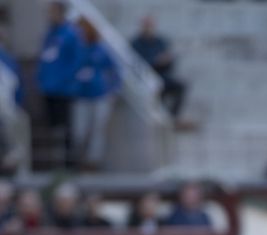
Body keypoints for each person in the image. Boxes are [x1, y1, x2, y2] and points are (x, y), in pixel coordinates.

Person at [36, 1, 82, 165]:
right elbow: (45, 59)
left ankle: (69, 163)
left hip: (64, 88)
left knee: (66, 127)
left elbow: (77, 60)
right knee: (52, 127)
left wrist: (65, 79)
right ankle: (54, 161)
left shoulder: (71, 34)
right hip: (49, 87)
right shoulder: (50, 34)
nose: (50, 16)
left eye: (53, 12)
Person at [72, 19, 121, 171]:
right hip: (81, 95)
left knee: (98, 129)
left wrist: (113, 90)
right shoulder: (77, 49)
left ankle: (93, 162)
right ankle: (79, 158)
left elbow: (115, 70)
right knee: (79, 131)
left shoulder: (101, 49)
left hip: (100, 95)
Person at [130, 16, 187, 122]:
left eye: (150, 26)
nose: (148, 28)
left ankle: (172, 117)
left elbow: (170, 63)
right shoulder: (136, 43)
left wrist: (167, 60)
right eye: (146, 26)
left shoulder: (160, 42)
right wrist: (155, 61)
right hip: (145, 78)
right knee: (156, 87)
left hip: (161, 75)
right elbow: (138, 63)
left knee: (180, 85)